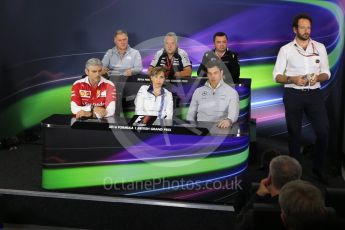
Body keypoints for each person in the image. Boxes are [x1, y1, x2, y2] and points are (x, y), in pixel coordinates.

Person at [272, 13, 331, 183]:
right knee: (294, 134)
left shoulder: (319, 47)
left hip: (314, 94)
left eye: (309, 28)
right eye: (303, 27)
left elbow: (326, 73)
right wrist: (293, 79)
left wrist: (317, 78)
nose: (306, 31)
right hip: (293, 94)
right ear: (295, 29)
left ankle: (318, 169)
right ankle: (294, 174)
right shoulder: (286, 49)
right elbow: (276, 76)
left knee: (323, 132)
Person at [235, 155, 302, 230]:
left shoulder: (253, 216)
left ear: (269, 178)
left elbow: (239, 223)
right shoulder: (307, 211)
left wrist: (257, 196)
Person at [186, 60, 239, 128]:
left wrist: (228, 120)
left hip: (220, 129)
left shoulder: (232, 92)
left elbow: (233, 115)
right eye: (210, 73)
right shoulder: (198, 91)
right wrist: (192, 129)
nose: (212, 76)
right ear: (207, 74)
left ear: (221, 73)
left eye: (215, 73)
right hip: (201, 130)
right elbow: (190, 115)